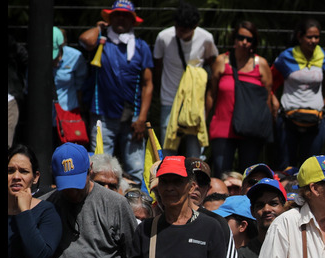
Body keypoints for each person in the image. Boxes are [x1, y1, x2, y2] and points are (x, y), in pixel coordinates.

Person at [79, 0, 154, 177]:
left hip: (133, 117)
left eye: (126, 15)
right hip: (102, 114)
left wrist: (142, 117)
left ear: (133, 20)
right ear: (110, 18)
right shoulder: (101, 41)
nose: (121, 19)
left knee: (136, 168)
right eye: (116, 15)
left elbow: (148, 83)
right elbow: (85, 39)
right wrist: (99, 28)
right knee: (99, 167)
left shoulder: (141, 47)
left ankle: (137, 204)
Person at [208, 21, 276, 176]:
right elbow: (211, 94)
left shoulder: (262, 64)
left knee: (249, 176)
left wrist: (267, 127)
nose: (244, 42)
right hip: (223, 127)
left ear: (254, 42)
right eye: (241, 38)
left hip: (251, 128)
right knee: (220, 173)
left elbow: (267, 98)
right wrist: (203, 122)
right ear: (234, 39)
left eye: (249, 39)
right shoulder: (221, 62)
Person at [153, 1, 218, 158]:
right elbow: (157, 66)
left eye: (184, 31)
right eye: (177, 28)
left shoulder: (206, 38)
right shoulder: (164, 37)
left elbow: (213, 64)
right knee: (168, 151)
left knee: (194, 152)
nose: (179, 33)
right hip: (170, 100)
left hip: (194, 104)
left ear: (195, 27)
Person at [8, 145, 62, 258]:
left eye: (23, 171)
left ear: (35, 177)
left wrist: (24, 212)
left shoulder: (47, 212)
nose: (16, 176)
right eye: (10, 171)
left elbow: (39, 257)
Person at [275, 19, 325, 169]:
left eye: (317, 37)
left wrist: (322, 103)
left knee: (311, 168)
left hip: (316, 120)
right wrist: (274, 102)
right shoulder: (286, 57)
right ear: (300, 37)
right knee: (287, 168)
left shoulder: (322, 56)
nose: (313, 41)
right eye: (309, 37)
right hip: (288, 120)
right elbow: (270, 82)